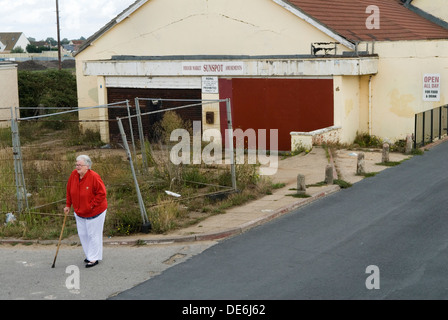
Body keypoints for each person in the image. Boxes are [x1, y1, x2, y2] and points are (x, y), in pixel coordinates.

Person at [64, 155, 107, 268]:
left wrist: (91, 206)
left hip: (95, 212)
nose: (77, 167)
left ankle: (94, 258)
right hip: (79, 212)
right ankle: (89, 255)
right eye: (76, 164)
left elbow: (102, 193)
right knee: (83, 234)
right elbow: (69, 190)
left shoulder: (94, 177)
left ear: (87, 166)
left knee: (93, 235)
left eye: (80, 165)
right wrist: (68, 205)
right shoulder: (74, 175)